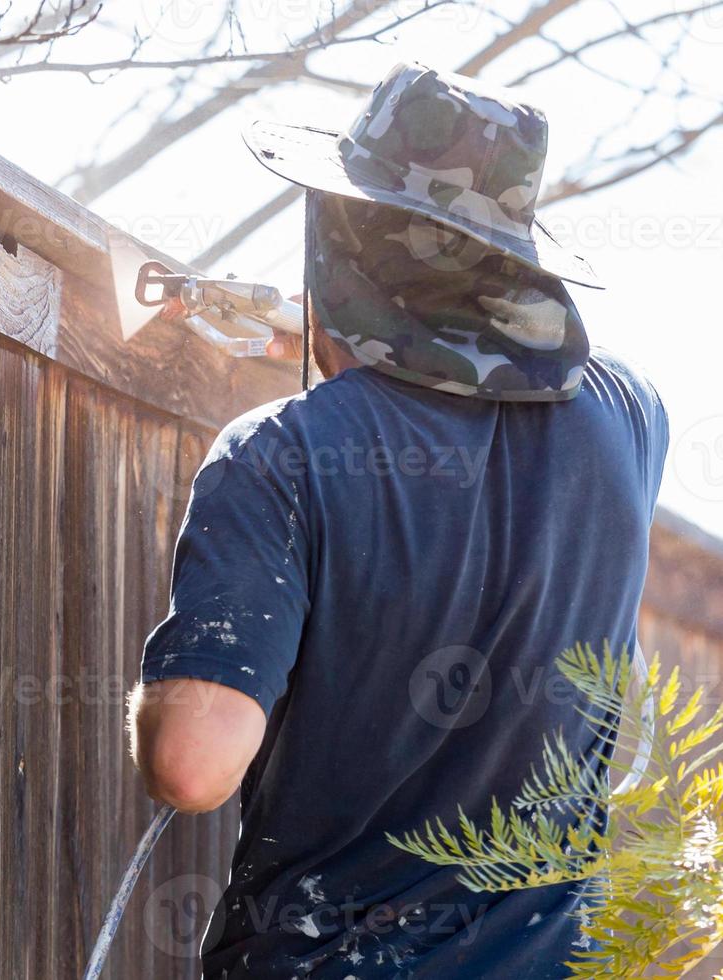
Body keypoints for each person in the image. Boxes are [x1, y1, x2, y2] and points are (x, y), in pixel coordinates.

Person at [127, 62, 669, 979]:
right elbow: (493, 398)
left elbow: (193, 766)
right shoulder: (631, 419)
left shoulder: (280, 457)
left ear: (339, 237)